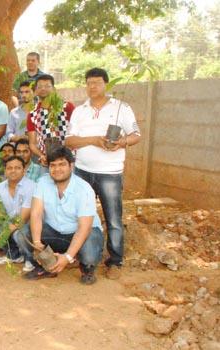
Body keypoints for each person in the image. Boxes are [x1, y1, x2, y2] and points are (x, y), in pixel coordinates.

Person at [65, 67, 142, 280]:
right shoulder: (80, 111)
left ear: (106, 84)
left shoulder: (121, 108)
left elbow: (136, 135)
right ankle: (80, 255)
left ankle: (115, 261)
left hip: (110, 173)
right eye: (89, 83)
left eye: (97, 83)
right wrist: (94, 140)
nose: (92, 87)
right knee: (78, 215)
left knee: (113, 218)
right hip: (82, 172)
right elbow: (69, 141)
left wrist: (122, 142)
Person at [13, 147, 104, 285]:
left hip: (83, 233)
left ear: (71, 166)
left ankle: (86, 268)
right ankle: (45, 266)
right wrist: (37, 244)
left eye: (62, 164)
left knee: (90, 256)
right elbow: (36, 214)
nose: (57, 169)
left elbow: (84, 228)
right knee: (22, 234)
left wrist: (67, 257)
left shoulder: (84, 189)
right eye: (53, 165)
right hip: (54, 231)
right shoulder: (43, 182)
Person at [0, 156, 35, 272]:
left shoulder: (31, 186)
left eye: (17, 168)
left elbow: (23, 218)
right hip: (12, 221)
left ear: (24, 170)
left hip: (29, 224)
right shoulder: (0, 187)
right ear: (5, 170)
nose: (13, 170)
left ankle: (30, 259)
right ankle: (14, 256)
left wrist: (2, 235)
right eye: (9, 168)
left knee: (19, 234)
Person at [26, 74, 75, 166]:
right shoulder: (32, 114)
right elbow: (32, 144)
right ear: (35, 90)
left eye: (47, 86)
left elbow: (77, 132)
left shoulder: (66, 107)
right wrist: (42, 156)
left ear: (54, 89)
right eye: (40, 86)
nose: (43, 89)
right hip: (48, 162)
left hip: (69, 160)